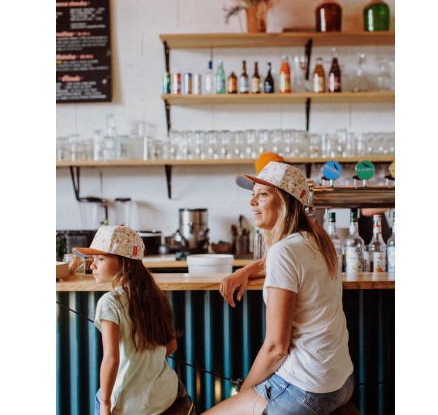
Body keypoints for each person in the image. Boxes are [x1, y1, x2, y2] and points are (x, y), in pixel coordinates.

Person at [205, 162, 354, 414]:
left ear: (285, 202)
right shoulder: (319, 239)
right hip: (341, 382)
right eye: (252, 195)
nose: (252, 202)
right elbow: (284, 263)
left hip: (304, 388)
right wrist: (246, 270)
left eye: (262, 194)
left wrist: (244, 393)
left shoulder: (284, 251)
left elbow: (276, 349)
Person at [74, 225, 194, 415]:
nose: (92, 265)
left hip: (129, 406)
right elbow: (171, 346)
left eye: (101, 259)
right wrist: (145, 364)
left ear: (124, 263)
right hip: (166, 396)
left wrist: (105, 405)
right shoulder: (157, 294)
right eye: (93, 259)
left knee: (101, 397)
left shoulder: (109, 302)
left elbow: (111, 360)